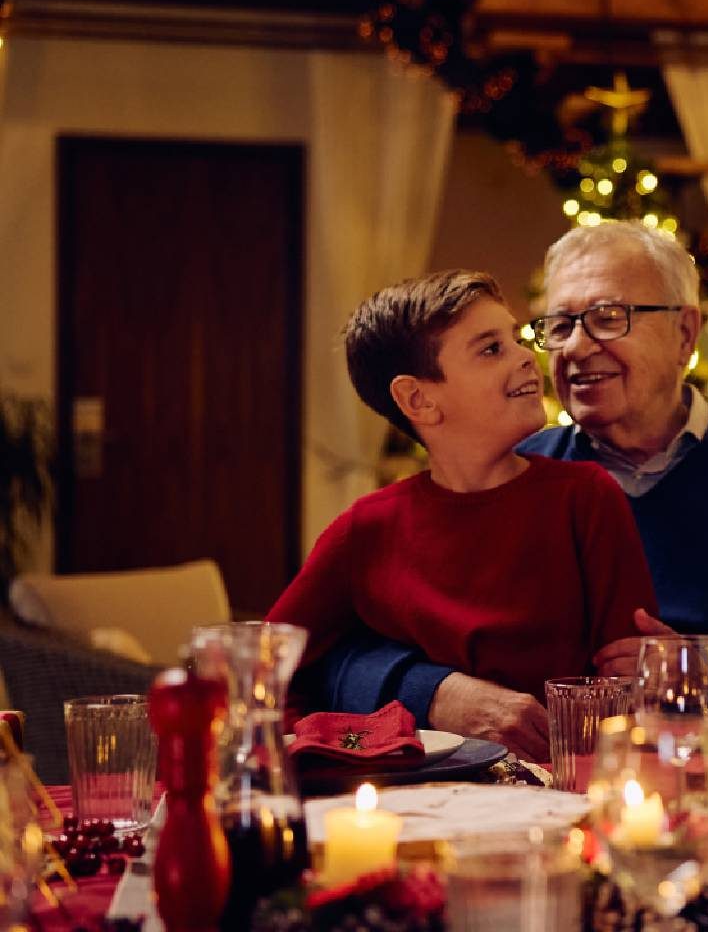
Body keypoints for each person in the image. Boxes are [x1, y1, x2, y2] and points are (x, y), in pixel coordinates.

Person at [311, 224, 708, 757]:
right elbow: (323, 657)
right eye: (559, 325)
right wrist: (435, 691)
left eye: (608, 318)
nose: (577, 347)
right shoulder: (509, 476)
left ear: (685, 334)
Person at [269, 270, 657, 761]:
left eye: (516, 338)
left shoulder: (586, 497)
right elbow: (261, 679)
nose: (524, 356)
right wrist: (358, 745)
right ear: (419, 400)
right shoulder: (365, 528)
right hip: (415, 799)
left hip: (562, 788)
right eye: (491, 348)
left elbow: (629, 682)